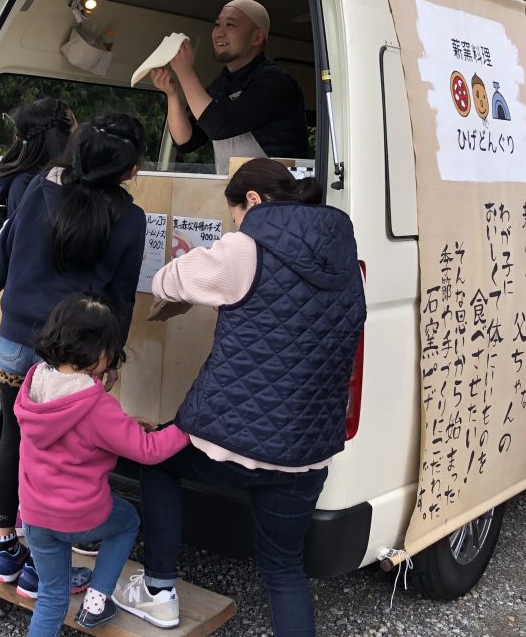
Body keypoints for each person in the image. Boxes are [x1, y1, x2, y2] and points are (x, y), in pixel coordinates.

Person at [114, 158, 366, 635]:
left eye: (234, 214)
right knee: (283, 571)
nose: (234, 224)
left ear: (252, 201)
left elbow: (167, 280)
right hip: (306, 450)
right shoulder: (343, 256)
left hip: (233, 441)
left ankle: (159, 588)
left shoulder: (243, 248)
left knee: (157, 460)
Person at [0, 111, 149, 599]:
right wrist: (111, 357)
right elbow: (121, 299)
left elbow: (2, 256)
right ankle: (41, 565)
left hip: (16, 342)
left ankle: (5, 547)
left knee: (13, 440)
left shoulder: (40, 188)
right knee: (64, 455)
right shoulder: (130, 219)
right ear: (130, 170)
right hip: (76, 356)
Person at [16, 292, 190, 635]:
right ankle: (98, 600)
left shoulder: (35, 379)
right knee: (127, 521)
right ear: (100, 353)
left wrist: (123, 424)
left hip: (34, 514)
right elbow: (148, 450)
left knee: (51, 596)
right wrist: (188, 428)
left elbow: (71, 422)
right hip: (79, 516)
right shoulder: (96, 406)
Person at [150, 0, 308, 174]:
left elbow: (221, 126)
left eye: (230, 25)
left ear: (256, 37)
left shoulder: (276, 83)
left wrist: (186, 73)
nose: (219, 33)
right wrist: (173, 96)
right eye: (217, 25)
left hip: (284, 193)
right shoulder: (221, 85)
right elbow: (186, 143)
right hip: (240, 192)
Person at [0, 98, 77, 216]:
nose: (79, 131)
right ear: (58, 137)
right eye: (74, 124)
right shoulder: (26, 185)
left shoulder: (58, 177)